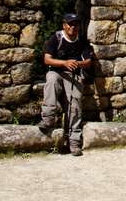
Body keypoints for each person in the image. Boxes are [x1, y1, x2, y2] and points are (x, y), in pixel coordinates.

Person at [38, 13, 93, 156]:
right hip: (57, 72)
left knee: (75, 102)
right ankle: (48, 118)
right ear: (64, 25)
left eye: (76, 24)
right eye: (70, 24)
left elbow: (88, 61)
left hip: (73, 75)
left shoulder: (82, 41)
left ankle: (74, 141)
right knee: (51, 80)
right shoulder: (56, 38)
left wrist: (77, 64)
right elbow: (47, 60)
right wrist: (64, 63)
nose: (73, 27)